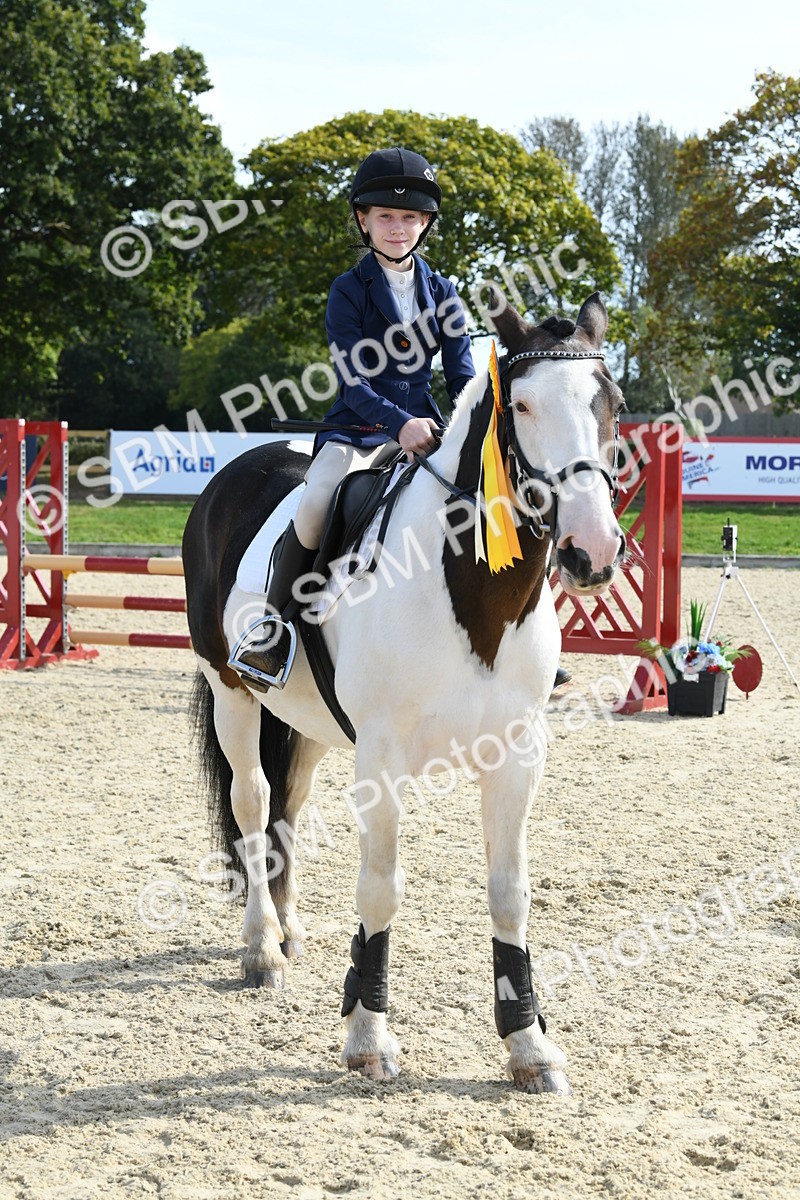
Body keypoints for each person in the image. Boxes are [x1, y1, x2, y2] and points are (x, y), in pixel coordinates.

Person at [230, 146, 476, 690]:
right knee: (317, 498)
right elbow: (353, 381)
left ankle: (505, 631)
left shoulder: (445, 293)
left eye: (409, 217)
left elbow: (462, 374)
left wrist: (461, 423)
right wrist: (398, 424)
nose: (397, 227)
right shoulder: (348, 289)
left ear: (425, 224)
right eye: (385, 216)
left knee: (491, 493)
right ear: (363, 220)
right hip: (360, 428)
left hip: (430, 431)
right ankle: (275, 630)